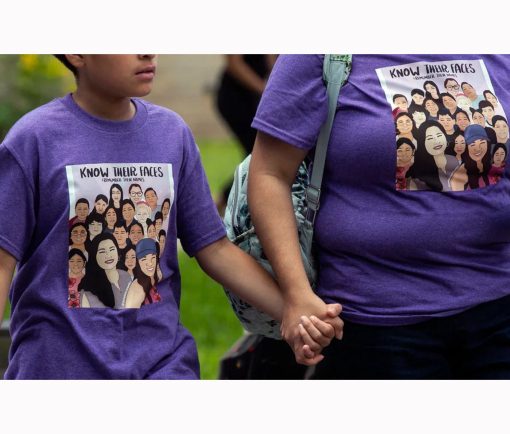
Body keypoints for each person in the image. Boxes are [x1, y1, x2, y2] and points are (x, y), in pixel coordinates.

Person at [0, 54, 341, 379]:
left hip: (162, 367)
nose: (149, 53)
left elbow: (216, 250)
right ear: (76, 54)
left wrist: (296, 311)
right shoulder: (34, 140)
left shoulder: (171, 134)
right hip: (57, 370)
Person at [248, 54, 510, 379]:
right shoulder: (323, 50)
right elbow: (270, 174)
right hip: (376, 323)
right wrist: (295, 294)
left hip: (499, 308)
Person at [214, 55, 277, 215]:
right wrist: (265, 89)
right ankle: (220, 203)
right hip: (236, 97)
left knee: (259, 156)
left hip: (256, 98)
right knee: (258, 157)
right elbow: (234, 64)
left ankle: (222, 202)